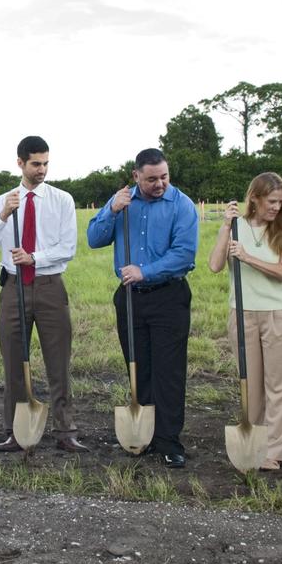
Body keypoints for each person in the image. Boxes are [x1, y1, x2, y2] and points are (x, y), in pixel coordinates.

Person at [87, 147, 198, 467]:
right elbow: (94, 238)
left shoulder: (182, 205)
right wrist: (110, 210)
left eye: (164, 176)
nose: (159, 183)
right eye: (151, 179)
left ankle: (169, 440)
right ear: (136, 176)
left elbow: (185, 254)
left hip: (169, 296)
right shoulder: (121, 202)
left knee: (169, 371)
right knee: (139, 366)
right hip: (130, 298)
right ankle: (144, 435)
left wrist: (144, 271)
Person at [0, 135, 85, 452]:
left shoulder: (61, 200)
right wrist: (2, 217)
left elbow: (68, 248)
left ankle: (67, 432)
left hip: (50, 286)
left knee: (58, 362)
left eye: (46, 163)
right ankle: (16, 430)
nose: (42, 170)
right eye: (36, 164)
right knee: (14, 361)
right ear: (20, 163)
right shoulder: (2, 202)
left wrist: (35, 258)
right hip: (13, 288)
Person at [208, 172, 282, 470]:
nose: (276, 207)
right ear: (255, 199)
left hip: (278, 314)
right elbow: (214, 265)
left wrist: (248, 258)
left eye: (280, 202)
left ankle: (274, 450)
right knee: (251, 384)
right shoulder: (237, 226)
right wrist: (225, 226)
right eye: (271, 201)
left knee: (279, 385)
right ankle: (255, 444)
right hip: (242, 312)